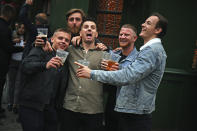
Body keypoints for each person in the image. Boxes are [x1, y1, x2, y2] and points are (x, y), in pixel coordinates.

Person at [75, 12, 168, 131]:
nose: (143, 24)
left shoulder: (152, 51)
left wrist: (91, 73)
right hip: (131, 111)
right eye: (144, 22)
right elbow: (132, 74)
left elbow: (127, 76)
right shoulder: (150, 50)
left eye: (148, 23)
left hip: (135, 114)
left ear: (158, 30)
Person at [18, 28, 71, 131]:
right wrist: (45, 64)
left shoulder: (65, 59)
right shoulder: (41, 49)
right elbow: (25, 66)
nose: (63, 41)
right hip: (32, 105)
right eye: (60, 38)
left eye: (67, 40)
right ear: (52, 39)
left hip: (50, 108)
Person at [59, 17, 105, 131]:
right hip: (70, 106)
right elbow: (55, 46)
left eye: (92, 28)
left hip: (93, 109)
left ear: (96, 34)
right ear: (80, 33)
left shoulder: (105, 54)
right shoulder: (70, 50)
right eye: (86, 27)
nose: (89, 29)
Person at [103, 24, 138, 131]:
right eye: (120, 34)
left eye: (126, 35)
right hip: (111, 104)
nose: (122, 37)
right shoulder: (114, 54)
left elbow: (132, 81)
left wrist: (117, 72)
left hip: (127, 107)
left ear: (134, 38)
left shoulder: (139, 58)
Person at [0, 4, 23, 118]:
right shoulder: (4, 28)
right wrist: (22, 47)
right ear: (9, 14)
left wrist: (12, 42)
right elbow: (7, 48)